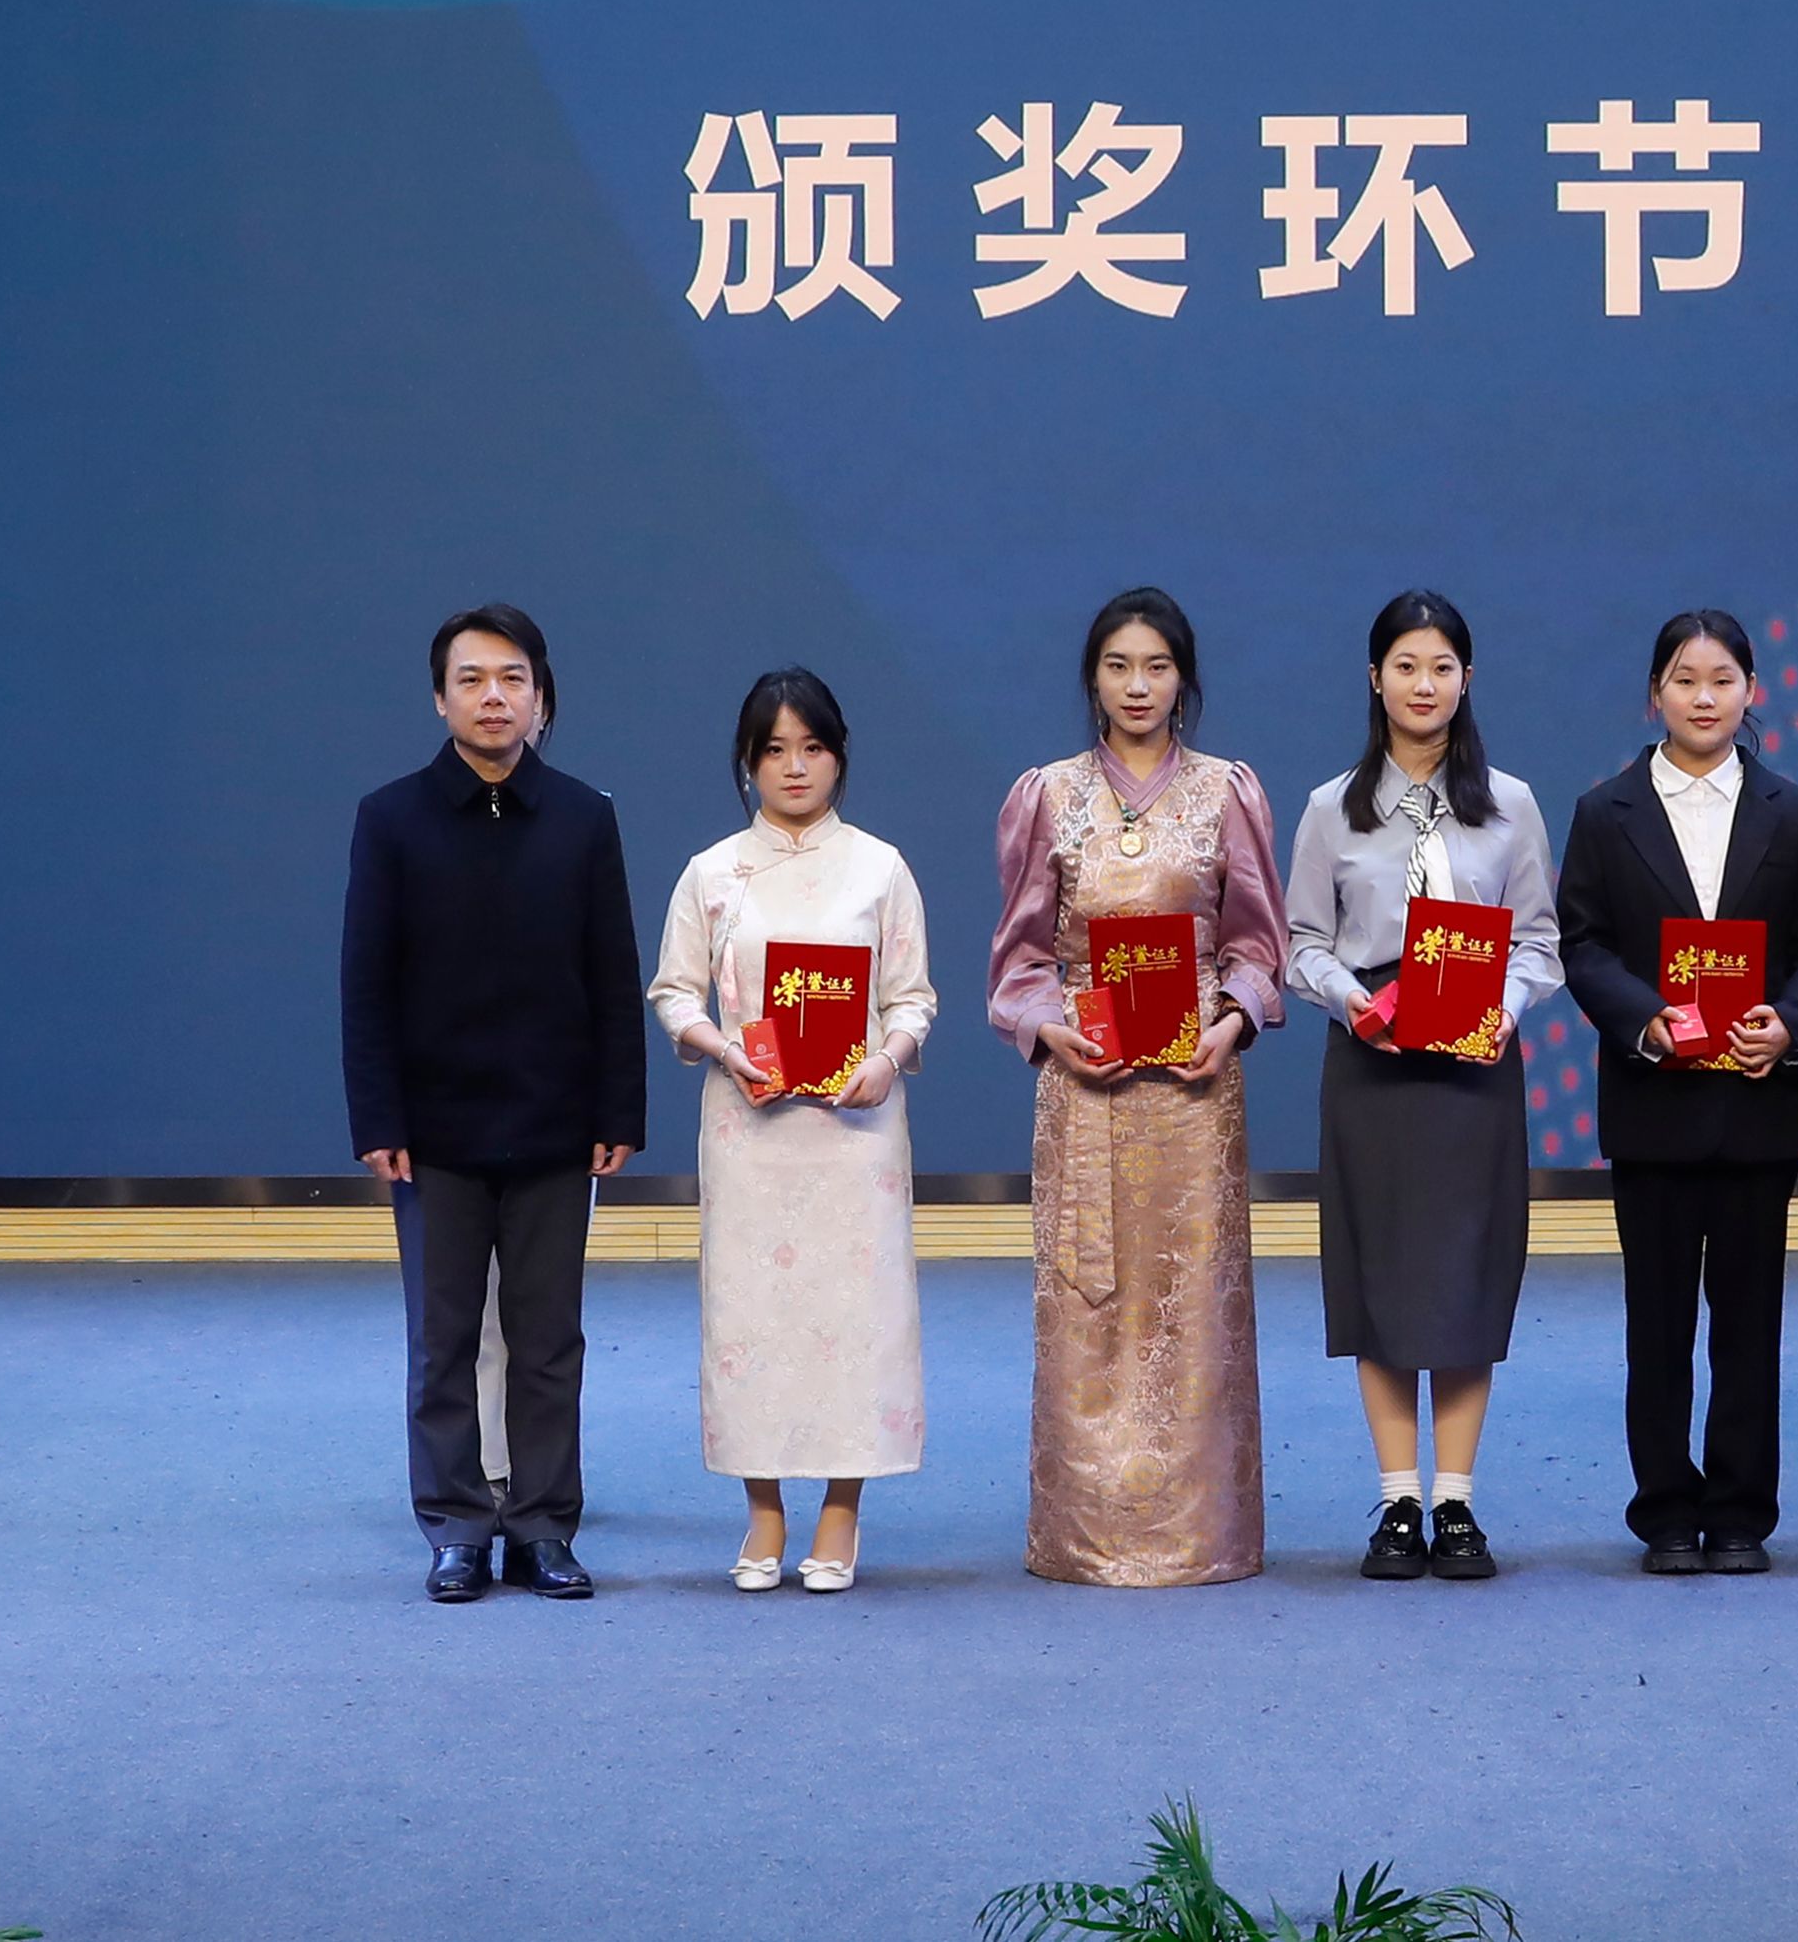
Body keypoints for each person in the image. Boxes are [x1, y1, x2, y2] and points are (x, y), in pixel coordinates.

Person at [341, 602, 646, 1603]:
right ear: (440, 699)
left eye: (513, 678)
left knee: (548, 1341)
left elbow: (612, 975)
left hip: (557, 1127)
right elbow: (365, 984)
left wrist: (620, 1110)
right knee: (443, 1343)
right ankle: (457, 1528)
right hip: (433, 1133)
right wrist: (379, 1120)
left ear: (541, 699)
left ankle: (544, 1527)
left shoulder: (584, 817)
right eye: (471, 679)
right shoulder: (391, 819)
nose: (493, 697)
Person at [988, 585, 1288, 1587]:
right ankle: (1088, 1533)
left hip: (1195, 1094)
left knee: (1192, 1306)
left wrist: (1232, 1022)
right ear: (1092, 680)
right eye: (1118, 666)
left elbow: (1256, 945)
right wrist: (1052, 1028)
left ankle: (1204, 1534)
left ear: (1183, 680)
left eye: (1157, 666)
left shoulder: (1226, 792)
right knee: (1091, 1302)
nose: (1137, 685)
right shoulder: (1046, 796)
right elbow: (1021, 958)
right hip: (1087, 1090)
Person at [1554, 609, 1798, 1574]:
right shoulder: (1605, 811)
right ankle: (1666, 1514)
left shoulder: (1790, 810)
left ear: (1752, 692)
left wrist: (1791, 1025)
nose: (1704, 697)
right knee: (1659, 1326)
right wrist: (1644, 1019)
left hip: (1757, 1108)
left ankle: (1740, 1514)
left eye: (1722, 680)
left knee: (1750, 1325)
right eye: (1685, 680)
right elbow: (1582, 942)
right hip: (1654, 1107)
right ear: (1656, 695)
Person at [1282, 590, 1562, 1583]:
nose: (1424, 684)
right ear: (1375, 679)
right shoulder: (1330, 809)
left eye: (1442, 666)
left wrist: (1508, 1010)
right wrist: (1350, 1001)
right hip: (1374, 1062)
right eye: (1405, 665)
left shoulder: (1511, 804)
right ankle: (1399, 1500)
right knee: (1385, 1279)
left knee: (1465, 1279)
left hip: (1474, 1068)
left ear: (1466, 680)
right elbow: (1301, 944)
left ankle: (1458, 1504)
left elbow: (1539, 941)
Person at [645, 668, 932, 1596]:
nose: (795, 767)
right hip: (752, 1130)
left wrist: (887, 1059)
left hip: (856, 1132)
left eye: (812, 748)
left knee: (856, 1316)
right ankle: (763, 1508)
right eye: (774, 750)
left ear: (839, 757)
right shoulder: (712, 872)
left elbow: (912, 998)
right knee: (752, 1317)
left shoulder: (880, 868)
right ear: (747, 762)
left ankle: (842, 1509)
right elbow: (673, 992)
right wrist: (722, 1048)